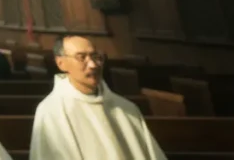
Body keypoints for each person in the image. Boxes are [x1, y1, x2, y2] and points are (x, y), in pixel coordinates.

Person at [30, 35, 166, 160]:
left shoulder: (126, 107)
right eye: (81, 57)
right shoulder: (51, 112)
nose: (93, 65)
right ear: (61, 63)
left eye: (95, 57)